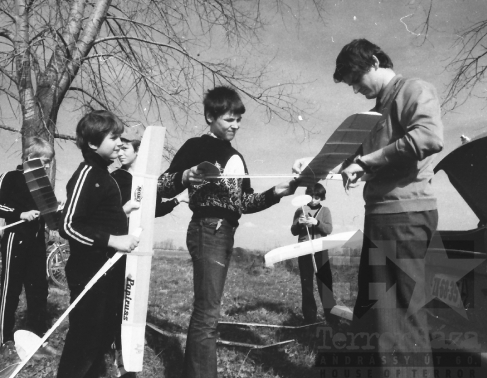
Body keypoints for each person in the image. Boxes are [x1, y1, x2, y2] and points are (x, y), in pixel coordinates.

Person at [294, 39, 443, 378]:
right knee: (373, 312)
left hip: (404, 214)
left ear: (375, 62)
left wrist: (367, 161)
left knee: (399, 318)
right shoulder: (375, 111)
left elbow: (430, 137)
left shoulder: (414, 89)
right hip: (381, 216)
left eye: (356, 80)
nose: (356, 89)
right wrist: (315, 166)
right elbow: (352, 155)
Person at [158, 86, 298, 378]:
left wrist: (279, 192)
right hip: (206, 228)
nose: (235, 125)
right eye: (228, 119)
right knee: (207, 314)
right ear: (210, 116)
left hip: (225, 232)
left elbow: (244, 202)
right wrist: (185, 175)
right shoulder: (195, 146)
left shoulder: (237, 157)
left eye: (239, 120)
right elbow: (162, 184)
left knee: (210, 312)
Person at [57, 110, 140, 378]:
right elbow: (69, 225)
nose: (119, 143)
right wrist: (115, 239)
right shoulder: (88, 173)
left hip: (105, 274)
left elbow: (96, 218)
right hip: (88, 273)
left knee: (99, 339)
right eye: (114, 137)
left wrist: (122, 211)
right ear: (93, 143)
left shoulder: (104, 175)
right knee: (84, 341)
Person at [110, 137, 188, 377]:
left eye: (126, 149)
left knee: (129, 295)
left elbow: (151, 208)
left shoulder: (143, 180)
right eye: (118, 149)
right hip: (116, 245)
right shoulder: (117, 178)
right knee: (118, 298)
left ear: (138, 152)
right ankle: (118, 351)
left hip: (136, 247)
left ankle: (123, 347)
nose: (120, 153)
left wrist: (178, 199)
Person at [0, 136, 54, 355]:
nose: (47, 166)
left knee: (38, 290)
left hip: (36, 243)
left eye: (49, 162)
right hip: (15, 240)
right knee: (11, 290)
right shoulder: (10, 177)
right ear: (29, 158)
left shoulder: (43, 184)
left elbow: (48, 212)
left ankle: (37, 337)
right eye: (44, 161)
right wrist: (20, 214)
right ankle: (5, 339)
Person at [290, 183, 337, 326]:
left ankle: (332, 318)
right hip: (304, 250)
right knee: (307, 284)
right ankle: (309, 318)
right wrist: (300, 223)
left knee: (325, 284)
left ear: (322, 197)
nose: (314, 200)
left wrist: (316, 222)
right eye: (311, 196)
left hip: (320, 250)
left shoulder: (325, 210)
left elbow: (328, 229)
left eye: (317, 197)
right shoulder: (300, 210)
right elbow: (293, 230)